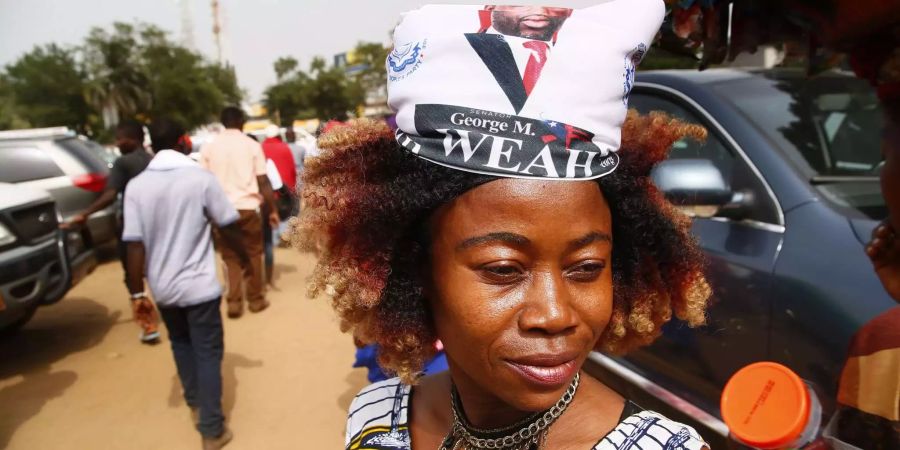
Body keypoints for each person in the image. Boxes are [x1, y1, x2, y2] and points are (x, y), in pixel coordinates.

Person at [297, 2, 713, 449]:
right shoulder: (374, 417)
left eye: (587, 267)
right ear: (414, 270)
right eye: (502, 269)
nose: (554, 315)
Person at [123, 118, 247, 450]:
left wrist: (137, 292)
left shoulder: (136, 186)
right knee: (208, 353)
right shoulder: (200, 179)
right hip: (199, 288)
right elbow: (228, 225)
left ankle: (195, 401)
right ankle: (212, 429)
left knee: (180, 343)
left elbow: (133, 245)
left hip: (163, 288)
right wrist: (245, 259)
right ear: (184, 142)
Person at [62, 120, 158, 343]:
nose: (117, 144)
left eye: (119, 139)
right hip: (154, 223)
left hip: (131, 226)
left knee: (133, 274)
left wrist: (84, 214)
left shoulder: (123, 163)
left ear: (131, 140)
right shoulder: (152, 159)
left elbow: (109, 195)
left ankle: (148, 323)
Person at [200, 107, 278, 318]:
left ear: (223, 122)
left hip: (221, 210)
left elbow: (204, 182)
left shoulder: (209, 148)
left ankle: (234, 303)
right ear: (242, 121)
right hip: (248, 208)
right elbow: (263, 181)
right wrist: (272, 210)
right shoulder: (252, 145)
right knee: (254, 253)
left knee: (230, 256)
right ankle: (255, 299)